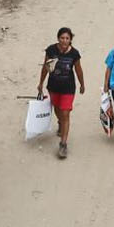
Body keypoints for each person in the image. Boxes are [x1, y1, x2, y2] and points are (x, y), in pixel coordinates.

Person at [36, 27, 85, 159]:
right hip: (53, 87)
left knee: (65, 113)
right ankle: (60, 123)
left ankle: (63, 144)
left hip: (68, 88)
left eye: (67, 38)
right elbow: (45, 68)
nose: (64, 40)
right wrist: (40, 83)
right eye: (62, 38)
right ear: (58, 38)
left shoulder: (74, 54)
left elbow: (79, 70)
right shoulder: (51, 50)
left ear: (70, 40)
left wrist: (82, 84)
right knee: (57, 110)